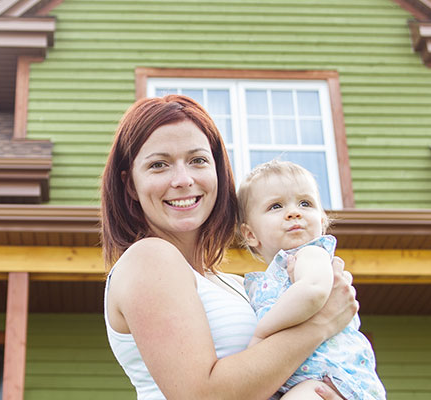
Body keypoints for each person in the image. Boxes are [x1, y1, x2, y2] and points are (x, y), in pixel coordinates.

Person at [101, 94, 359, 400]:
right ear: (131, 184)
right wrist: (321, 323)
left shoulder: (237, 284)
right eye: (159, 165)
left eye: (198, 160)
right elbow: (201, 395)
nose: (183, 180)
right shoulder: (148, 259)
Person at [238, 160, 385, 400]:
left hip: (332, 378)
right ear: (250, 234)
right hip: (302, 380)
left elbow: (313, 291)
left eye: (305, 203)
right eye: (276, 206)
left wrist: (261, 333)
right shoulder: (264, 282)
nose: (294, 212)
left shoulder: (309, 254)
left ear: (322, 221)